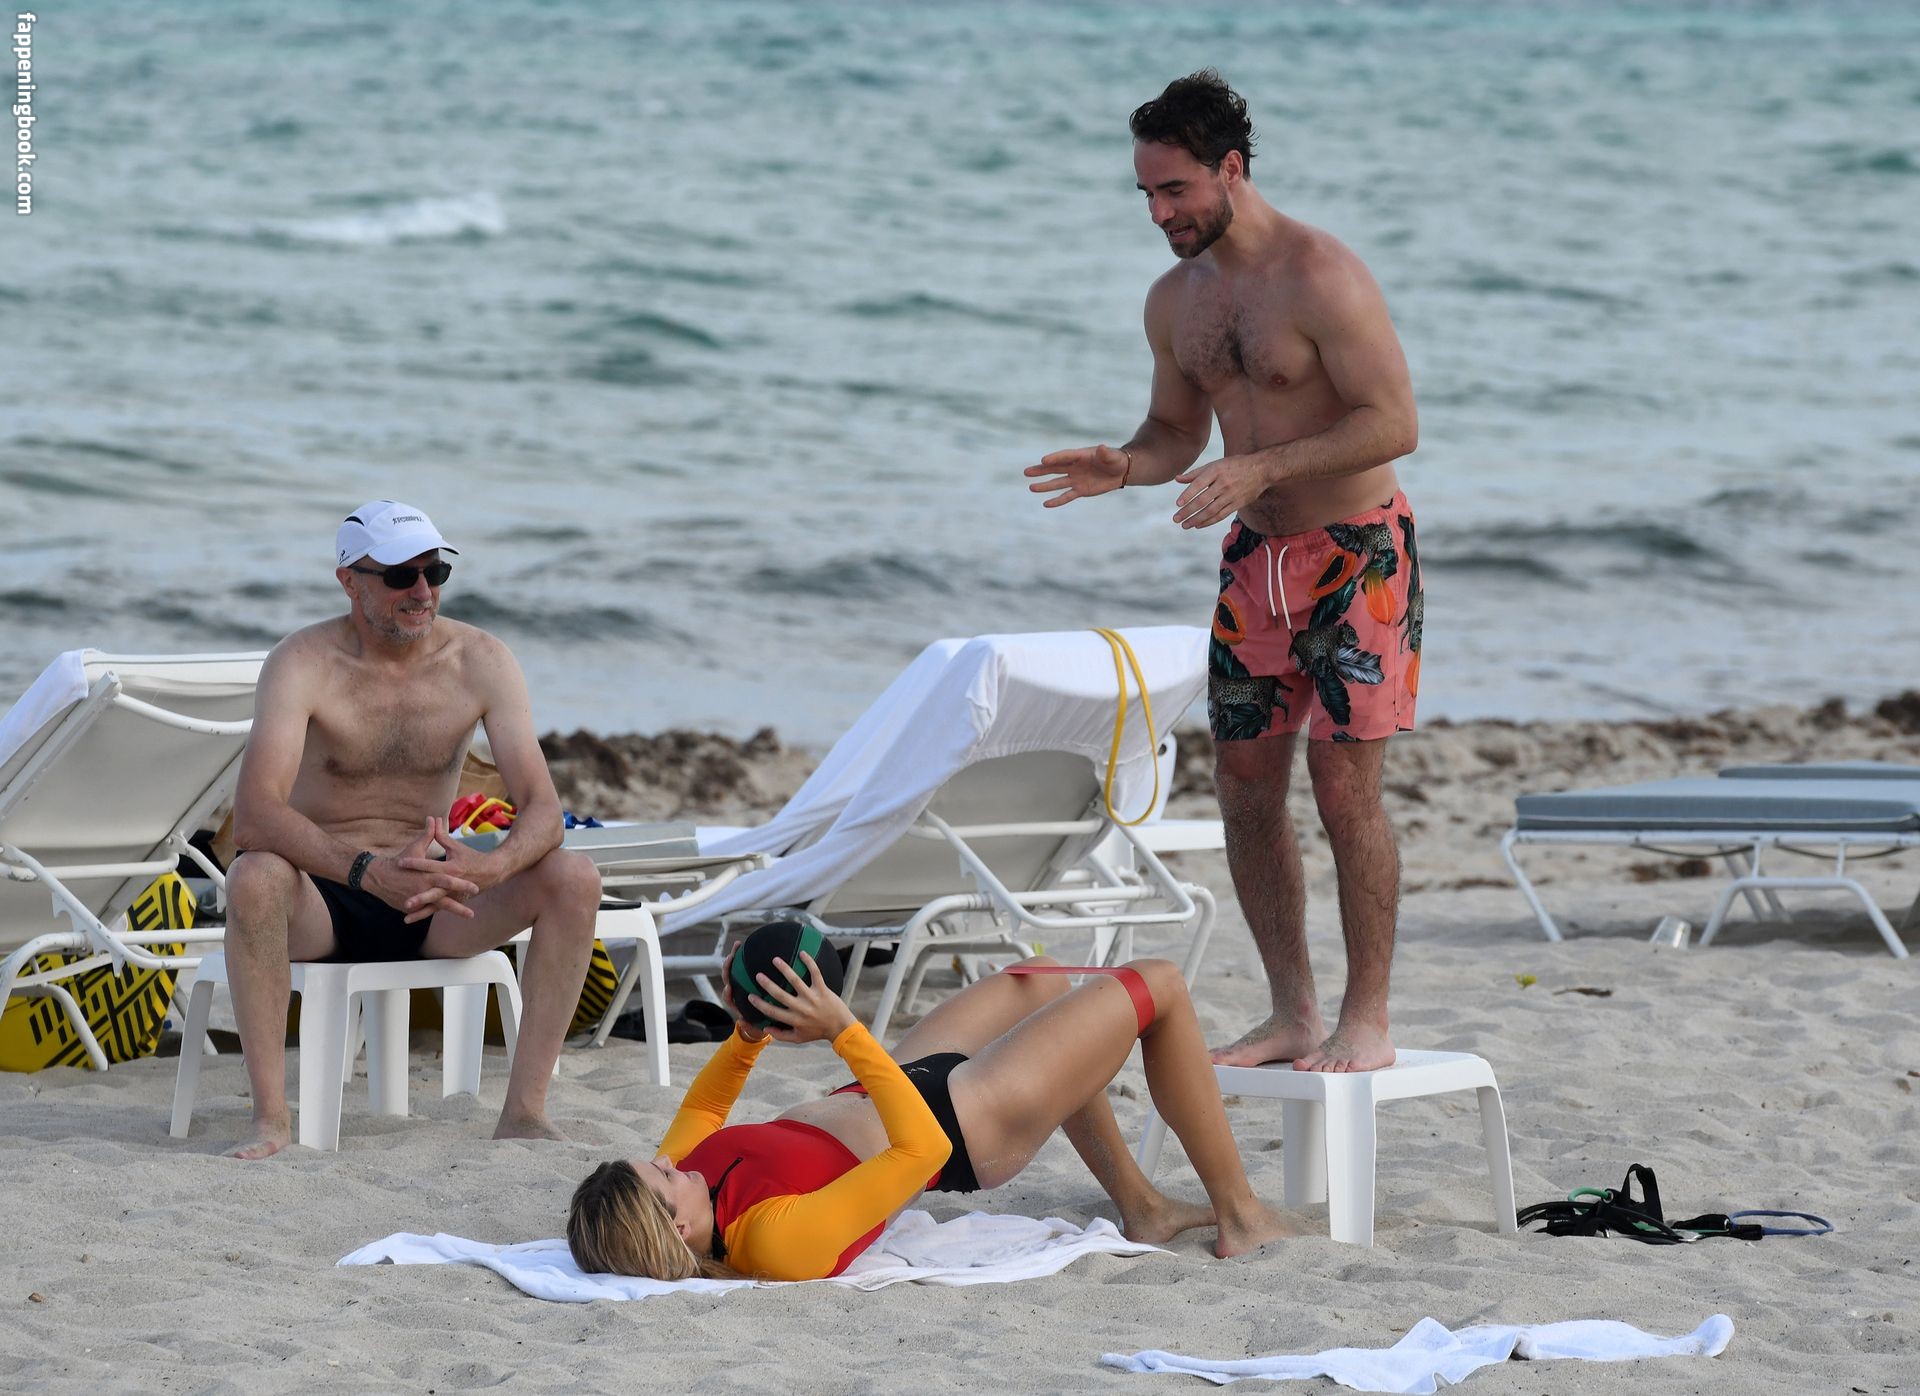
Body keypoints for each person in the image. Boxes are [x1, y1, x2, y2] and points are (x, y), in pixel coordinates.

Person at [1023, 71, 1421, 1073]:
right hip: (1255, 564)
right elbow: (1174, 430)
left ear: (1230, 169)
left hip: (1356, 555)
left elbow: (1393, 423)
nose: (1160, 214)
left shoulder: (1322, 276)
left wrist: (1263, 467)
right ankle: (1293, 1012)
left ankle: (1366, 1019)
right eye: (1147, 195)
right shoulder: (1175, 300)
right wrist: (1125, 465)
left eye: (1175, 190)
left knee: (1345, 790)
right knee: (1244, 788)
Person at [221, 500, 601, 1158]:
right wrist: (368, 872)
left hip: (433, 899)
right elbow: (255, 814)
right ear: (350, 581)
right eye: (400, 576)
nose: (422, 591)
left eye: (435, 572)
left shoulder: (480, 660)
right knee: (253, 877)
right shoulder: (303, 662)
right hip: (324, 897)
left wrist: (491, 866)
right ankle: (271, 1119)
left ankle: (524, 1112)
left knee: (574, 878)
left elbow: (544, 810)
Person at [567, 953, 1292, 1281]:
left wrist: (748, 1033)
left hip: (889, 1088)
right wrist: (844, 1030)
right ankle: (1241, 1216)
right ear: (677, 1230)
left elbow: (704, 1106)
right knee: (1158, 983)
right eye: (662, 1176)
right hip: (967, 1123)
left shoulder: (692, 1178)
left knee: (1037, 979)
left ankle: (1144, 1209)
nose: (669, 1159)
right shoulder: (773, 1242)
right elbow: (920, 1151)